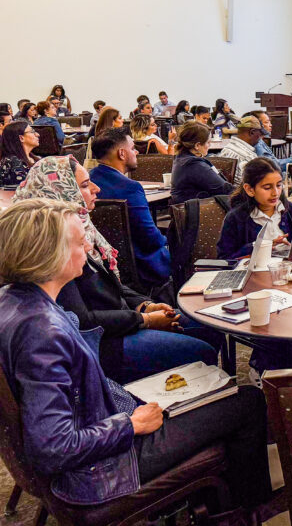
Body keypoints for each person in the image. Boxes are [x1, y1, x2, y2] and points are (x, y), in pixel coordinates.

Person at [0, 199, 273, 514]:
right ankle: (245, 513)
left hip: (106, 426)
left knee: (207, 386)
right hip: (104, 468)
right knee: (248, 400)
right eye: (78, 242)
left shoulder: (15, 302)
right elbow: (53, 447)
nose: (87, 246)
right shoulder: (42, 332)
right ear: (49, 256)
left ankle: (213, 503)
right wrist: (130, 425)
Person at [15, 157, 219, 383]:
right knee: (201, 351)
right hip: (101, 344)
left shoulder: (83, 227)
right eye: (84, 185)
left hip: (122, 319)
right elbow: (82, 322)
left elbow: (112, 286)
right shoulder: (47, 248)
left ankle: (206, 395)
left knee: (207, 324)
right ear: (61, 191)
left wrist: (145, 304)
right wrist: (145, 319)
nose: (96, 188)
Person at [89, 129, 172, 289]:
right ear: (122, 153)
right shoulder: (130, 188)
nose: (137, 152)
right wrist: (169, 241)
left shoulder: (89, 181)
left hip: (103, 266)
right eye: (133, 148)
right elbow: (150, 238)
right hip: (142, 266)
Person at [217, 157, 292, 260]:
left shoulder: (289, 209)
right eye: (267, 188)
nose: (275, 193)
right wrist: (259, 245)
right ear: (249, 190)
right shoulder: (236, 218)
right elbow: (224, 259)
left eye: (279, 185)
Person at [170, 121, 232, 204]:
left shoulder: (180, 157)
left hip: (188, 208)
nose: (209, 146)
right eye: (208, 142)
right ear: (197, 146)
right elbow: (224, 189)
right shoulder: (193, 165)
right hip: (200, 212)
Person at [217, 115, 263, 185]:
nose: (261, 137)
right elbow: (258, 184)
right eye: (260, 133)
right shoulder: (249, 157)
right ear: (252, 132)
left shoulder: (226, 149)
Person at [0, 121, 40, 187]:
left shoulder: (33, 158)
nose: (37, 134)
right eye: (32, 132)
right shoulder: (13, 162)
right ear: (21, 138)